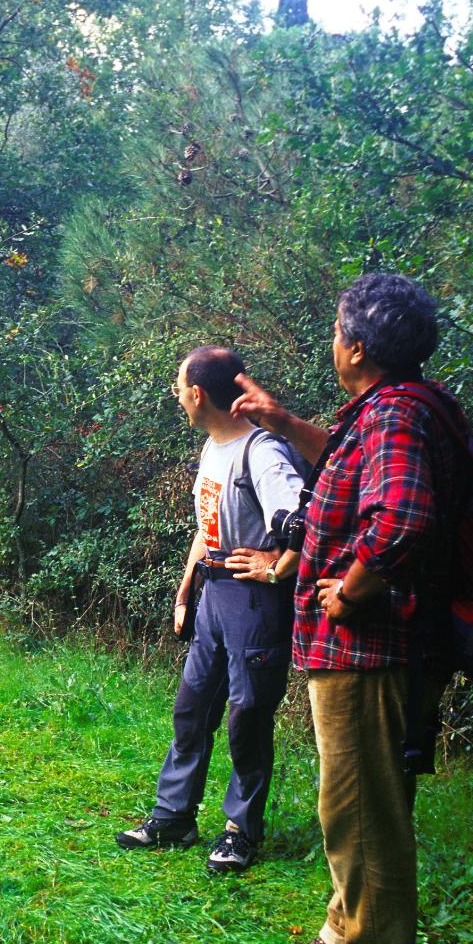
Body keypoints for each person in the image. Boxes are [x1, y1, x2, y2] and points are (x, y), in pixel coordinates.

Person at [233, 274, 471, 944]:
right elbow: (348, 460)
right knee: (350, 802)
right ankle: (346, 930)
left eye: (338, 333)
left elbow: (401, 516)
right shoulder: (392, 409)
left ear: (357, 347)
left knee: (364, 808)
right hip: (363, 653)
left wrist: (352, 586)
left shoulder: (396, 418)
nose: (333, 343)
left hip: (370, 650)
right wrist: (282, 419)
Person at [115, 347, 306, 873]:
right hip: (212, 596)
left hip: (254, 601)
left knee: (247, 716)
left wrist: (275, 567)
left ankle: (240, 831)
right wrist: (183, 593)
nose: (177, 396)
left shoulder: (263, 452)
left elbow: (306, 522)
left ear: (197, 394)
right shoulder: (213, 447)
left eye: (179, 387)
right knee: (192, 709)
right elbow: (207, 529)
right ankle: (174, 818)